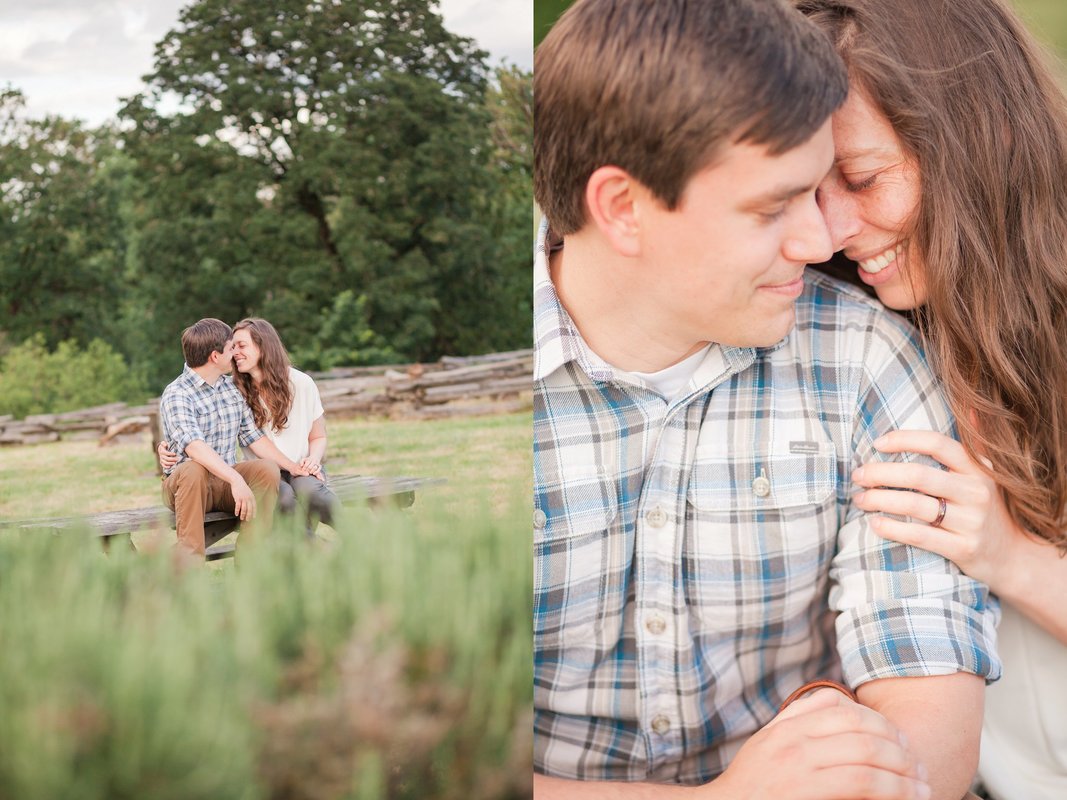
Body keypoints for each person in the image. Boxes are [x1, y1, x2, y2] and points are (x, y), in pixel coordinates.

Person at [533, 1, 999, 799]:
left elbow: (927, 701)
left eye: (817, 190)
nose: (821, 244)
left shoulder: (864, 355)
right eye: (770, 207)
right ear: (621, 207)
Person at [797, 1, 1067, 797]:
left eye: (863, 179)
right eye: (809, 189)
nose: (830, 229)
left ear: (986, 134)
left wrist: (1010, 558)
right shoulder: (861, 339)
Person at [160, 318, 338, 535]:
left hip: (286, 469)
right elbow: (194, 440)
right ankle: (313, 554)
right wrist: (169, 448)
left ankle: (359, 540)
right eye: (232, 347)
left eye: (241, 346)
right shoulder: (230, 387)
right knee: (281, 497)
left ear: (263, 347)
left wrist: (303, 463)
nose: (235, 352)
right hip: (241, 476)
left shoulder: (296, 383)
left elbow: (310, 436)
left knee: (310, 491)